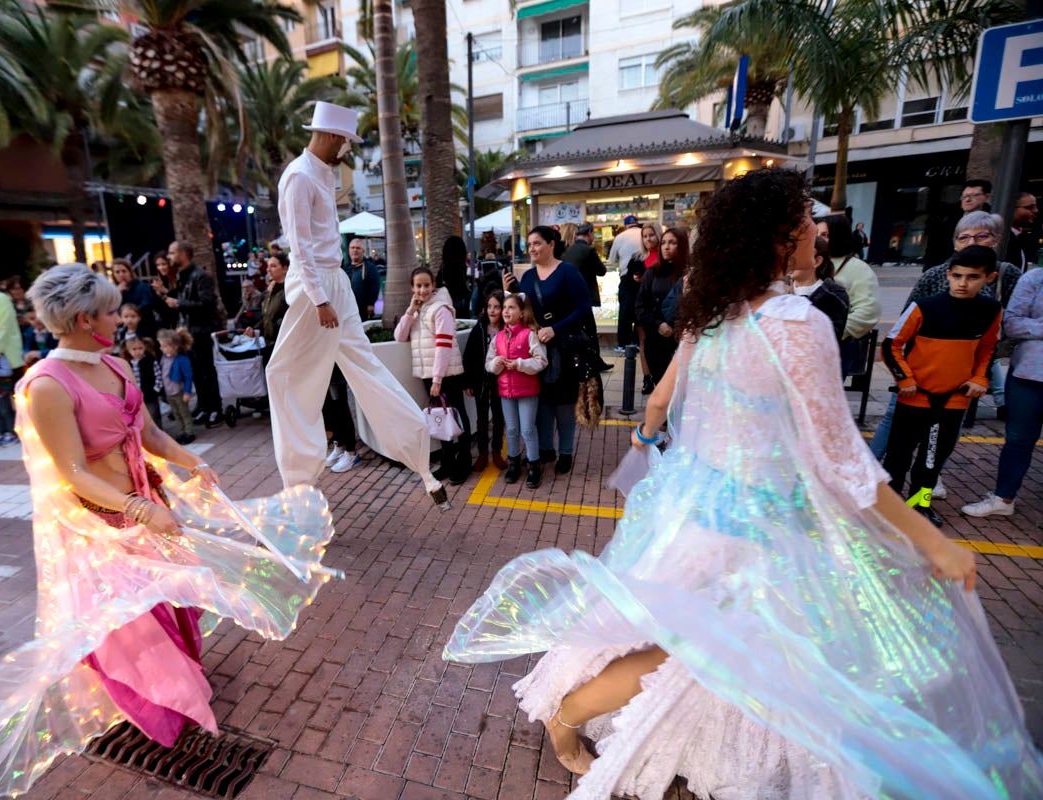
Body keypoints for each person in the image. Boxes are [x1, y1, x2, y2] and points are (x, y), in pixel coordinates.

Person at [443, 169, 1043, 800]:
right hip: (760, 535)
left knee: (693, 648)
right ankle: (568, 719)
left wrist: (647, 441)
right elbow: (841, 463)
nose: (820, 229)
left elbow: (663, 403)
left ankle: (578, 719)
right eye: (808, 221)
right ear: (781, 238)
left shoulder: (716, 315)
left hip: (704, 516)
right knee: (695, 651)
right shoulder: (796, 322)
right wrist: (932, 541)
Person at [0, 264, 340, 800]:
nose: (119, 316)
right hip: (101, 523)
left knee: (170, 605)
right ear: (85, 319)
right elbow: (73, 472)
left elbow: (149, 431)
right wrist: (139, 508)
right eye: (111, 310)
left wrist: (188, 461)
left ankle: (172, 690)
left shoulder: (114, 363)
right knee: (134, 625)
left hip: (145, 506)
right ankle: (159, 707)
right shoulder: (46, 385)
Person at [266, 101, 450, 508]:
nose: (347, 149)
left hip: (330, 286)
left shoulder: (317, 173)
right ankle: (418, 468)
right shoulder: (299, 176)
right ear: (331, 136)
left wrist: (326, 296)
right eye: (346, 142)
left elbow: (311, 249)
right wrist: (319, 299)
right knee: (298, 376)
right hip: (320, 288)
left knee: (298, 376)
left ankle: (301, 489)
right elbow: (300, 248)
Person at [870, 211, 1022, 462]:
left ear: (995, 239)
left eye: (981, 236)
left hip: (958, 383)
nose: (971, 242)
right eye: (964, 237)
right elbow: (900, 330)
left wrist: (980, 376)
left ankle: (926, 490)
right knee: (897, 442)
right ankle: (873, 478)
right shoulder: (934, 276)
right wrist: (904, 375)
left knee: (935, 449)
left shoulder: (1003, 281)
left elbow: (996, 337)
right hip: (917, 380)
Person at [881, 245, 1002, 527]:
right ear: (948, 275)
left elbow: (988, 348)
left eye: (973, 277)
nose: (963, 283)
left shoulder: (990, 311)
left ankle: (918, 505)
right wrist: (906, 380)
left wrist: (980, 378)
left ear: (989, 278)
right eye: (957, 276)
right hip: (914, 399)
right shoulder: (924, 307)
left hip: (953, 401)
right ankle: (888, 507)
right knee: (897, 456)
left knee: (931, 461)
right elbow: (891, 345)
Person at [503, 226, 593, 474]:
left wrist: (555, 328)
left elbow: (583, 308)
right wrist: (509, 292)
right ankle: (545, 450)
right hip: (536, 350)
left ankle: (565, 452)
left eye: (537, 243)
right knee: (540, 401)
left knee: (564, 404)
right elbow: (522, 311)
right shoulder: (529, 277)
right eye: (529, 245)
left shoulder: (568, 272)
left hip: (564, 348)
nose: (531, 249)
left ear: (551, 244)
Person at [962, 263, 1043, 518]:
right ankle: (1003, 498)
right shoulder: (1035, 278)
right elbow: (1011, 324)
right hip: (1029, 373)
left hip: (1029, 366)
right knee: (1018, 439)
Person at [395, 265, 471, 486]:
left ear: (433, 285)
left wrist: (437, 380)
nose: (422, 290)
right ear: (412, 288)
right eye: (418, 286)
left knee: (457, 418)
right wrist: (410, 311)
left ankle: (463, 462)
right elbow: (399, 336)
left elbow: (443, 346)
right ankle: (448, 462)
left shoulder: (441, 309)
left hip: (448, 374)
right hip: (429, 374)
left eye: (426, 285)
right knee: (440, 419)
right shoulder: (419, 309)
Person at [487, 292, 547, 488]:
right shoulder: (497, 338)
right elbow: (489, 364)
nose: (506, 311)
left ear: (521, 313)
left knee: (528, 429)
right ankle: (513, 463)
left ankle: (533, 466)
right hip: (506, 393)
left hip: (527, 392)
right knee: (511, 430)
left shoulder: (529, 335)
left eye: (511, 307)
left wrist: (520, 364)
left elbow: (541, 361)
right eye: (504, 308)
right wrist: (497, 363)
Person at [164, 240, 223, 427]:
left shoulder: (200, 276)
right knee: (196, 373)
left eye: (172, 252)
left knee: (207, 371)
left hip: (203, 332)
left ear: (183, 254)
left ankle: (215, 409)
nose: (169, 256)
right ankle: (205, 407)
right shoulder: (182, 276)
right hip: (189, 333)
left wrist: (178, 304)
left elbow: (207, 305)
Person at [823, 214, 880, 374]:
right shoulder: (806, 263)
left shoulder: (858, 269)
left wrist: (836, 331)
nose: (819, 240)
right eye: (816, 234)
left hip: (837, 347)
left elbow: (868, 310)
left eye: (825, 235)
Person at [634, 227, 688, 390]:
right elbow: (640, 307)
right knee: (662, 388)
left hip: (683, 342)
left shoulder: (690, 274)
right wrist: (658, 324)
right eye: (663, 242)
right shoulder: (652, 273)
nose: (666, 247)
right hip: (656, 341)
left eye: (672, 243)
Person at [464, 290, 506, 474]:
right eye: (490, 306)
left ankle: (496, 451)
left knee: (498, 417)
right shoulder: (479, 328)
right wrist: (468, 382)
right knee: (481, 419)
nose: (492, 310)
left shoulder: (507, 329)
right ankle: (482, 453)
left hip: (501, 380)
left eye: (497, 307)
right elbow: (470, 357)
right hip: (481, 381)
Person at [565, 222, 612, 372]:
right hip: (584, 296)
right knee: (591, 330)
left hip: (570, 297)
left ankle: (587, 360)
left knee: (580, 329)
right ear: (590, 233)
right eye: (593, 234)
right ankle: (595, 362)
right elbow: (602, 271)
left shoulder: (568, 251)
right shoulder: (589, 250)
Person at [789, 236, 849, 342]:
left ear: (817, 261)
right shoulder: (778, 290)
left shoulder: (833, 296)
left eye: (797, 257)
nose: (789, 262)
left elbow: (829, 340)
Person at [627, 224, 661, 392]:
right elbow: (627, 284)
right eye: (645, 236)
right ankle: (647, 378)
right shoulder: (638, 258)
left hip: (662, 308)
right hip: (642, 307)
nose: (648, 239)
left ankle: (660, 376)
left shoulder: (666, 256)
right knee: (644, 342)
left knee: (661, 344)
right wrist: (634, 279)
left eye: (651, 235)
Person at [607, 216, 643, 349]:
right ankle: (638, 341)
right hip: (644, 278)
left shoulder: (620, 237)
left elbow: (612, 260)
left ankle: (623, 344)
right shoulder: (644, 234)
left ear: (626, 225)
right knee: (640, 311)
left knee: (625, 313)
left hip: (626, 278)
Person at [157, 328, 196, 445]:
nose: (161, 349)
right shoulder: (164, 358)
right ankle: (181, 432)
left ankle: (189, 432)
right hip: (169, 392)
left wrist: (187, 392)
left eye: (164, 346)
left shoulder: (182, 359)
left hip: (179, 391)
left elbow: (188, 376)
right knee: (176, 413)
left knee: (184, 413)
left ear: (175, 347)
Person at [125, 337, 163, 434]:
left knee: (154, 415)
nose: (138, 352)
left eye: (140, 348)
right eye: (134, 349)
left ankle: (159, 434)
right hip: (136, 397)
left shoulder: (150, 361)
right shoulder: (127, 364)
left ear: (144, 348)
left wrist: (156, 390)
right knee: (140, 418)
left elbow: (158, 376)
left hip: (150, 395)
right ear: (128, 351)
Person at [112, 259, 158, 338]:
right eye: (117, 272)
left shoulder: (143, 287)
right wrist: (117, 294)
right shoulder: (115, 291)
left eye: (124, 271)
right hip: (125, 332)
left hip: (145, 330)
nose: (121, 274)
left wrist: (129, 313)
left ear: (130, 272)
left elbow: (146, 304)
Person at [343, 238, 381, 320]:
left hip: (363, 308)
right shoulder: (345, 268)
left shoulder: (370, 267)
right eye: (352, 248)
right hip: (347, 307)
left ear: (363, 251)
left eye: (358, 248)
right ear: (349, 250)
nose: (355, 250)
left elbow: (375, 286)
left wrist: (371, 304)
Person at [1006, 192, 1037, 271]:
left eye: (1035, 207)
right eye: (1030, 207)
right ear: (1012, 209)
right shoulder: (1002, 238)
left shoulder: (1026, 238)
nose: (1036, 210)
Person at [150, 250, 179, 330]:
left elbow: (181, 299)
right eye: (158, 265)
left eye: (164, 264)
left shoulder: (179, 278)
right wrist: (156, 293)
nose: (161, 268)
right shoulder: (161, 280)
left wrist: (164, 290)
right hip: (168, 323)